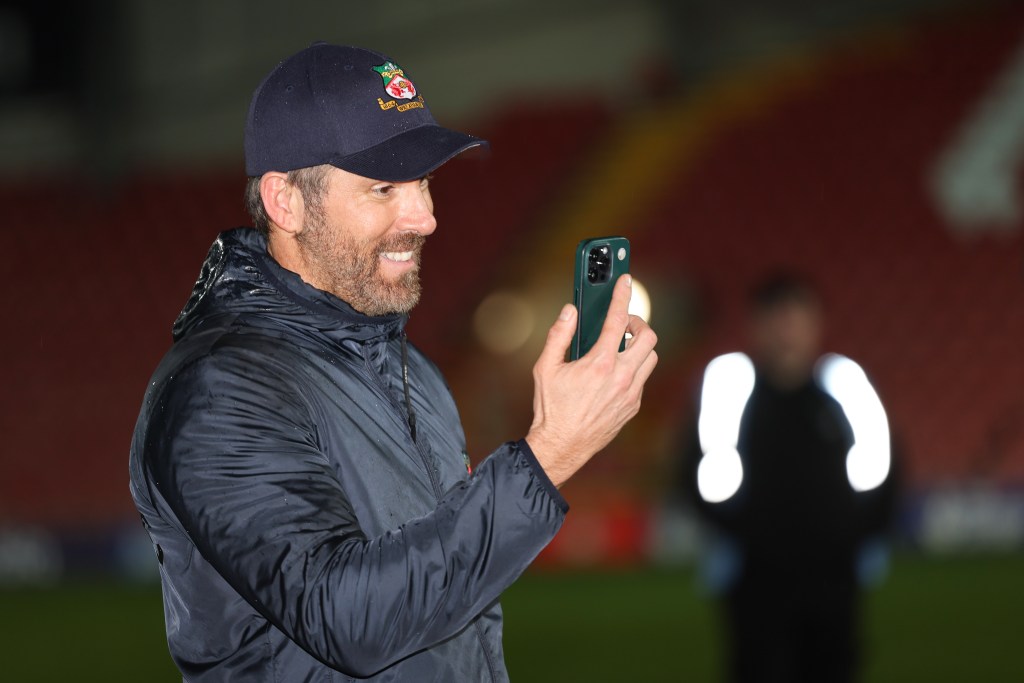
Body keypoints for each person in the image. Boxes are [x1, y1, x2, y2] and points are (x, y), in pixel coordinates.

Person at [128, 43, 657, 682]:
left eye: (424, 182)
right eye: (383, 188)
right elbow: (347, 620)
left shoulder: (414, 372)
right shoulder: (221, 390)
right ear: (285, 201)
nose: (426, 218)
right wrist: (549, 456)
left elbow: (449, 611)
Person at [678, 272, 896, 683]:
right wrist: (744, 534)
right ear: (755, 325)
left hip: (833, 577)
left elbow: (888, 469)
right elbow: (693, 475)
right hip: (756, 579)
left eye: (796, 318)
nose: (787, 331)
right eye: (776, 319)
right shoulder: (732, 392)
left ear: (817, 323)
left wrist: (853, 537)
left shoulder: (844, 391)